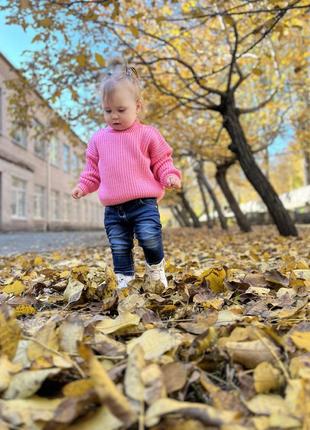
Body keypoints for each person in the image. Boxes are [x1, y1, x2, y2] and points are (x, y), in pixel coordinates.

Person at [72, 58, 182, 289]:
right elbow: (92, 171)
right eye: (108, 110)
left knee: (150, 239)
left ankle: (155, 270)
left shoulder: (148, 134)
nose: (114, 116)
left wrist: (169, 176)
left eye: (121, 110)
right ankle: (125, 281)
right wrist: (83, 186)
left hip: (144, 203)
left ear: (138, 106)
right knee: (119, 246)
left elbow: (162, 162)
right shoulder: (98, 139)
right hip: (113, 209)